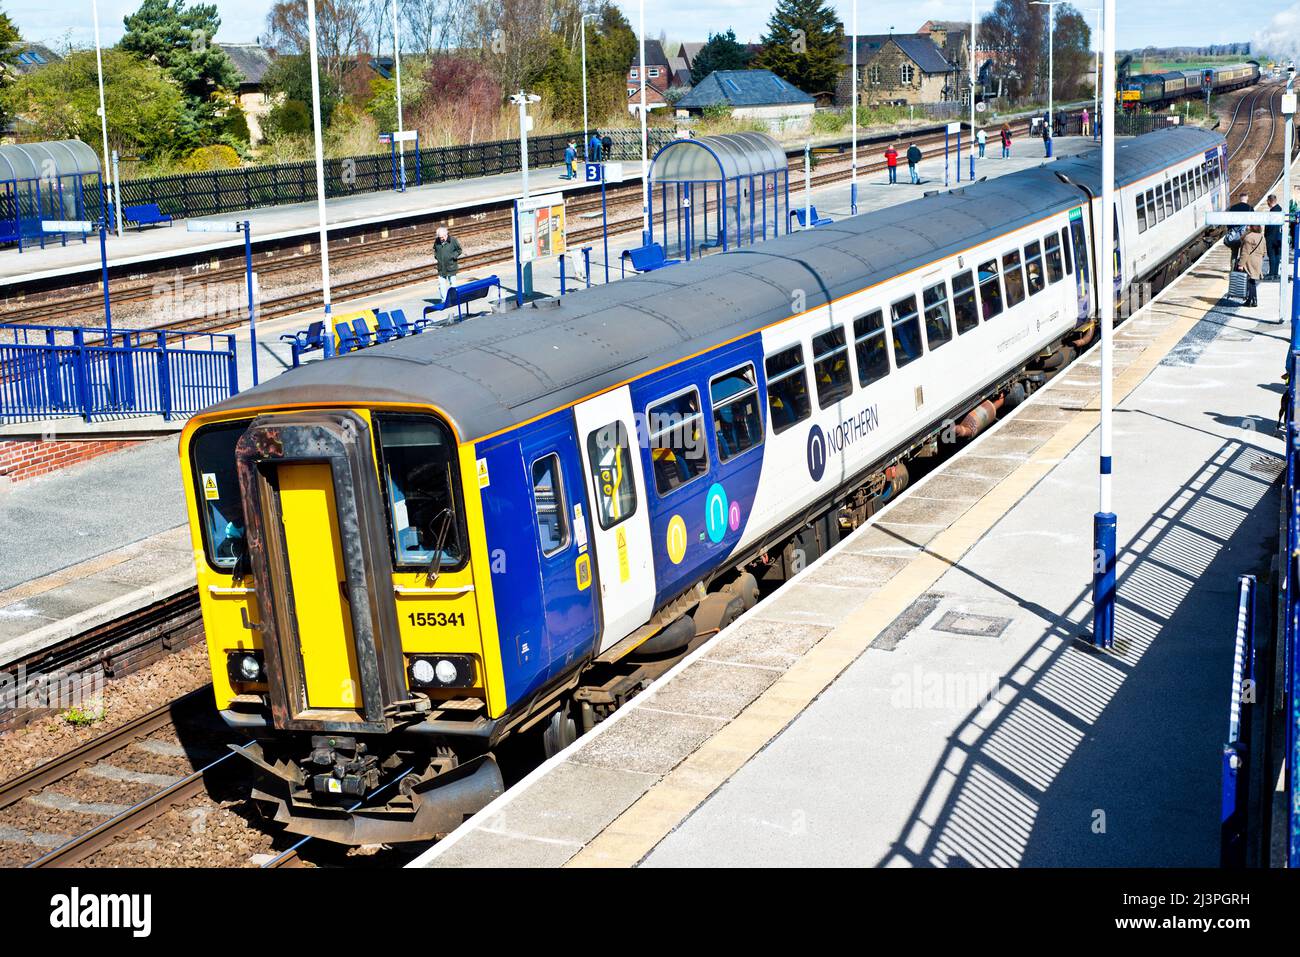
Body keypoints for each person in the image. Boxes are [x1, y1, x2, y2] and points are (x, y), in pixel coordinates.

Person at [1236, 225, 1265, 307]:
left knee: (1249, 281)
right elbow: (1264, 252)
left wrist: (1241, 264)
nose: (1247, 227)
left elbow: (1245, 253)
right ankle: (1252, 300)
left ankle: (1252, 300)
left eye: (1249, 226)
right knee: (1252, 281)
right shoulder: (1262, 237)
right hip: (1258, 261)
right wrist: (1258, 257)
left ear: (1252, 227)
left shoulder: (1248, 237)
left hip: (1249, 261)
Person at [434, 226, 462, 303]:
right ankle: (444, 300)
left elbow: (459, 250)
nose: (440, 239)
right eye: (439, 237)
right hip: (441, 267)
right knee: (441, 284)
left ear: (446, 235)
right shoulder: (437, 241)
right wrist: (436, 256)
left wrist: (453, 257)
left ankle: (454, 299)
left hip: (451, 266)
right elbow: (435, 249)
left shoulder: (453, 240)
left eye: (442, 237)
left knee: (453, 284)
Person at [1266, 193, 1283, 280]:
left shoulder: (1273, 212)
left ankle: (1271, 273)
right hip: (1279, 237)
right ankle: (1275, 273)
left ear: (1269, 201)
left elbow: (1269, 226)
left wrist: (1266, 236)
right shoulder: (1280, 210)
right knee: (1277, 255)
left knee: (1272, 255)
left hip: (1271, 237)